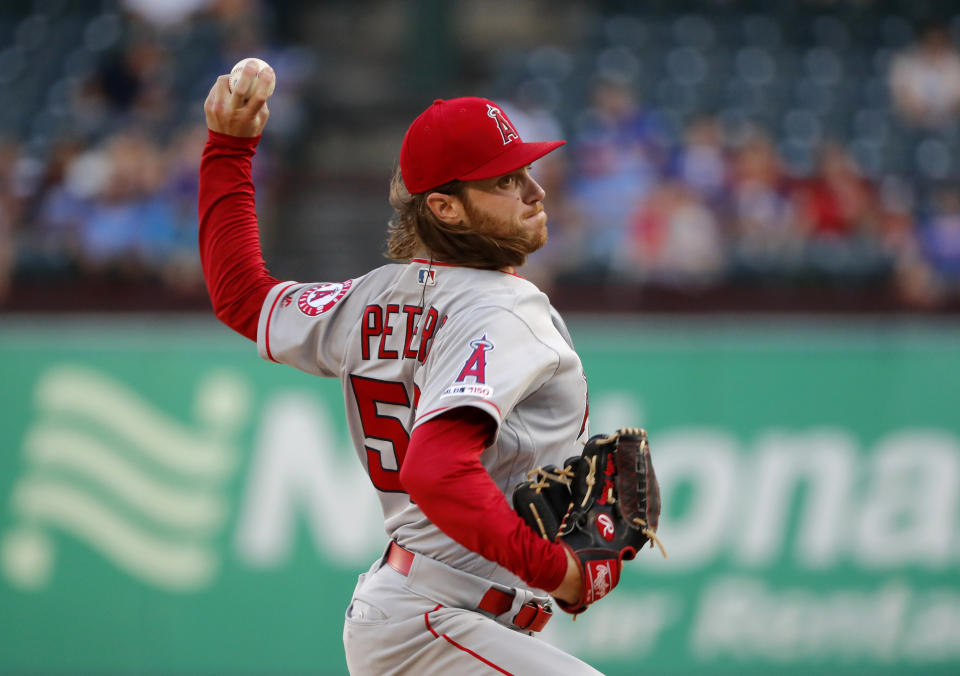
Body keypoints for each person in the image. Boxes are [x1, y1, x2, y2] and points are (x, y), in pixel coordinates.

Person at [199, 62, 604, 675]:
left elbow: (241, 295)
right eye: (505, 181)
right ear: (445, 206)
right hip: (437, 623)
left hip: (428, 614)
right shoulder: (500, 307)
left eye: (527, 171)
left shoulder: (375, 294)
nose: (534, 191)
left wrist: (229, 147)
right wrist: (564, 574)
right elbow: (437, 470)